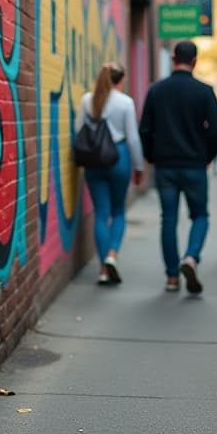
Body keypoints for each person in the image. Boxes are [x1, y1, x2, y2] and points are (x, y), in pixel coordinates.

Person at [139, 41, 217, 293]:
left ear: (174, 58)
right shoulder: (204, 91)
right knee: (200, 216)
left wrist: (151, 157)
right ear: (195, 61)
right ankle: (191, 256)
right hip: (195, 165)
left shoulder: (156, 91)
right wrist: (208, 156)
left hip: (165, 166)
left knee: (169, 219)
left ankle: (172, 277)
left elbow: (144, 129)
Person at [76, 62, 145, 285]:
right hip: (119, 158)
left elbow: (79, 132)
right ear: (121, 80)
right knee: (118, 211)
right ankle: (112, 255)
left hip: (94, 162)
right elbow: (133, 138)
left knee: (101, 213)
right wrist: (139, 166)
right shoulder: (125, 102)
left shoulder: (87, 100)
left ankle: (104, 269)